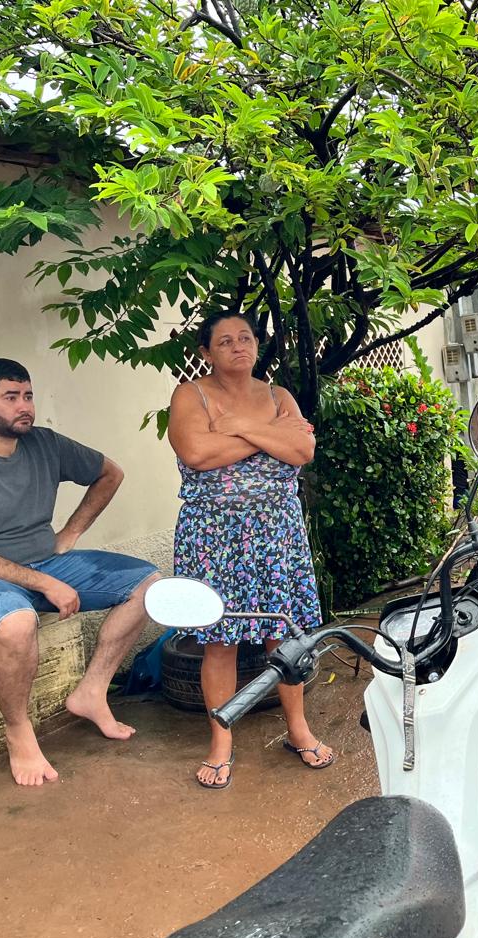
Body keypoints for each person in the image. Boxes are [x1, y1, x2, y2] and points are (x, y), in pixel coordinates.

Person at [0, 358, 160, 787]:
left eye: (27, 395)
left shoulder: (44, 443)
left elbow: (110, 473)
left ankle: (92, 692)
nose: (24, 406)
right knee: (16, 623)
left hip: (43, 561)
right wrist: (45, 582)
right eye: (10, 397)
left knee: (149, 586)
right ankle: (18, 731)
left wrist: (71, 532)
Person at [167, 313, 329, 789]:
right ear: (206, 352)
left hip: (278, 534)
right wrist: (269, 436)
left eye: (245, 338)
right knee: (221, 641)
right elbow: (197, 453)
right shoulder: (190, 395)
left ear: (257, 345)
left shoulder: (279, 396)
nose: (238, 346)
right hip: (213, 538)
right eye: (224, 341)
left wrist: (236, 426)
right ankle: (221, 741)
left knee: (285, 636)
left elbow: (303, 451)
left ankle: (298, 729)